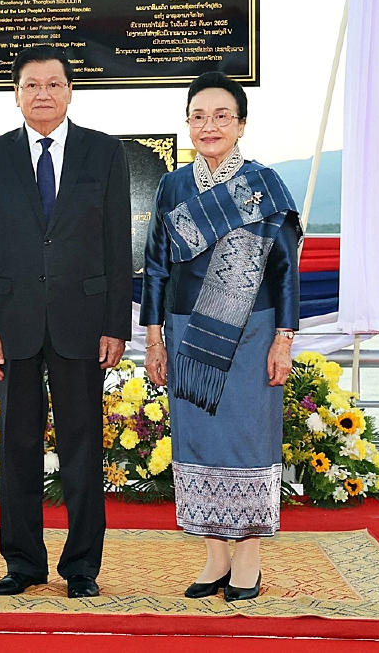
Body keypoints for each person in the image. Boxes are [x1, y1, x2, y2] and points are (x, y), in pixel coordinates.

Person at [0, 45, 133, 599]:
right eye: (31, 85)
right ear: (16, 94)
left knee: (83, 443)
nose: (43, 94)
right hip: (13, 323)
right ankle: (22, 562)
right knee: (16, 445)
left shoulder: (104, 154)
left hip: (82, 321)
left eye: (53, 84)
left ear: (69, 91)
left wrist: (116, 322)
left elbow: (117, 244)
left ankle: (82, 565)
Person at [140, 71, 300, 602]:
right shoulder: (172, 186)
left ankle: (249, 560)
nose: (209, 126)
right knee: (198, 439)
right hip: (188, 333)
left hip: (252, 331)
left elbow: (284, 270)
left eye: (221, 116)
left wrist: (284, 338)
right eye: (198, 116)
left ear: (242, 124)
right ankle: (213, 559)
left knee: (248, 437)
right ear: (187, 124)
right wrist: (155, 339)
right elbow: (157, 267)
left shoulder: (264, 184)